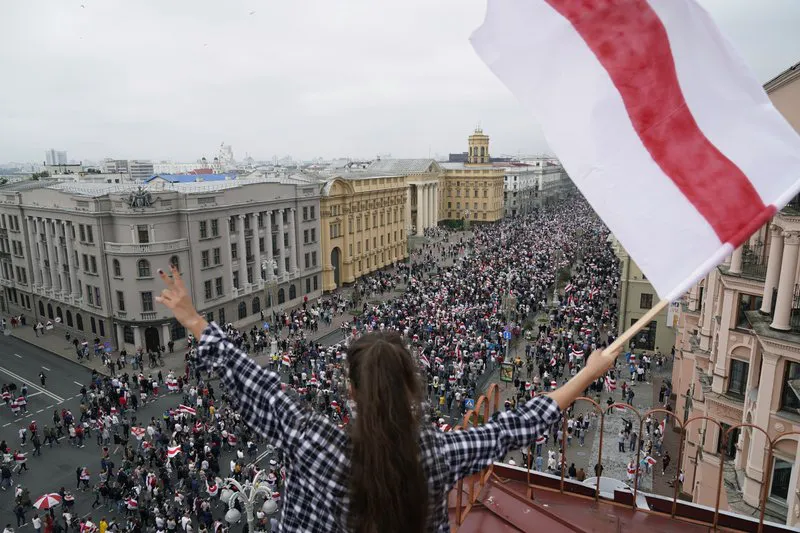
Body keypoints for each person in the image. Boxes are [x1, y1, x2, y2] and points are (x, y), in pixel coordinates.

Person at [155, 263, 619, 532]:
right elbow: (516, 426)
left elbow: (253, 382)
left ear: (351, 389)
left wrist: (194, 320)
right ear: (411, 387)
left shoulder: (311, 439)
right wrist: (588, 373)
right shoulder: (436, 453)